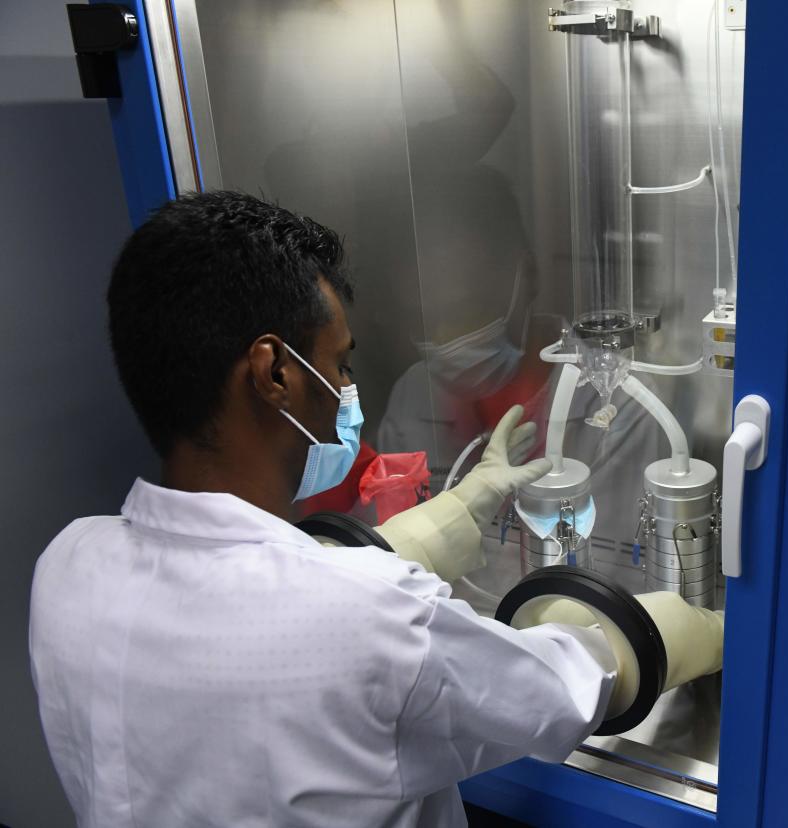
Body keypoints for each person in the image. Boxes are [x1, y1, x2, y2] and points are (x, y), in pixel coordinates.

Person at [28, 191, 623, 827]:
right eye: (340, 366)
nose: (346, 392)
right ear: (274, 373)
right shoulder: (374, 619)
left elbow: (277, 589)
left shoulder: (67, 565)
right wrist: (666, 632)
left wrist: (456, 509)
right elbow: (560, 693)